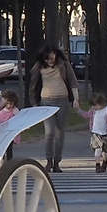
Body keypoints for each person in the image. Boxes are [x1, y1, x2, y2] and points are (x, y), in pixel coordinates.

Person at [26, 44, 79, 172]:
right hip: (46, 101)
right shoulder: (39, 66)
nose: (50, 61)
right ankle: (48, 160)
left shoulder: (64, 64)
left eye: (51, 58)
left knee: (59, 133)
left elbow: (73, 81)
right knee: (49, 133)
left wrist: (76, 99)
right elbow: (33, 85)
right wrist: (34, 103)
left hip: (62, 100)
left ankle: (57, 161)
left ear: (55, 54)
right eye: (47, 59)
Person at [76, 93, 107, 173]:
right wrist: (79, 110)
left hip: (105, 133)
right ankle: (97, 165)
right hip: (96, 133)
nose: (93, 107)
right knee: (98, 149)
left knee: (106, 152)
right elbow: (87, 115)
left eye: (95, 105)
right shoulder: (93, 110)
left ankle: (105, 162)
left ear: (101, 103)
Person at [0, 90, 21, 160]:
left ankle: (9, 160)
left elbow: (19, 118)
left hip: (9, 132)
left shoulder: (14, 110)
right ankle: (1, 159)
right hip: (0, 131)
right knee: (0, 147)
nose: (9, 106)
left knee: (9, 147)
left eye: (11, 104)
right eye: (7, 103)